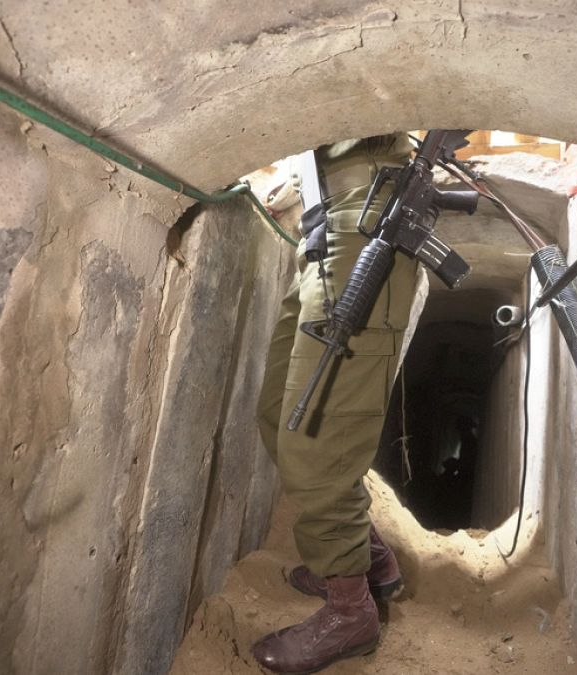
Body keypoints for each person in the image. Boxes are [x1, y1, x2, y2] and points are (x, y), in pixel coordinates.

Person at [253, 134, 419, 673]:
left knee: (319, 438)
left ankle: (351, 612)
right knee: (279, 415)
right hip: (325, 226)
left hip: (366, 223)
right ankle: (368, 560)